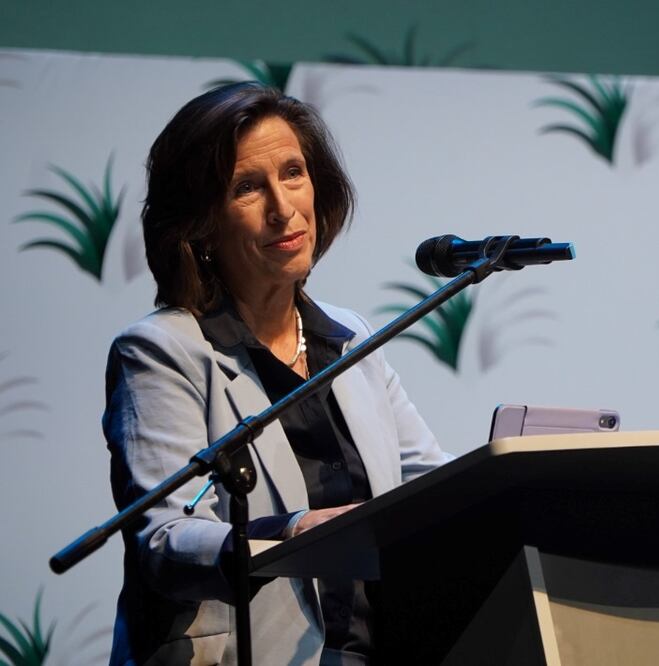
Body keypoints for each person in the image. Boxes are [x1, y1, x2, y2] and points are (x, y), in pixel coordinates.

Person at [104, 82, 450, 665]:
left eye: (294, 173)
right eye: (246, 188)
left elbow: (429, 485)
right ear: (201, 224)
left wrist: (517, 475)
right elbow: (164, 539)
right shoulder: (162, 349)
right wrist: (290, 531)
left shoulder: (350, 336)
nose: (283, 207)